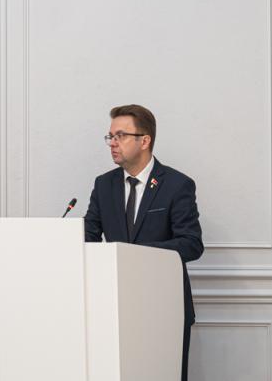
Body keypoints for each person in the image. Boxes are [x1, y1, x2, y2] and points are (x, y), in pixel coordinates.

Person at [84, 104, 203, 381]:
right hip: (113, 305)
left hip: (163, 306)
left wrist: (134, 254)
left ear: (144, 140)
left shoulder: (177, 184)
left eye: (120, 136)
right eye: (110, 136)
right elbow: (88, 236)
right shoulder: (103, 185)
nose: (112, 143)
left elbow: (191, 244)